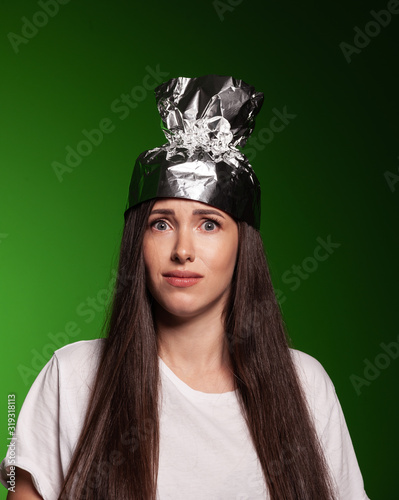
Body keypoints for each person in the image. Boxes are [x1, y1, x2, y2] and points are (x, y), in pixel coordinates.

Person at [1, 75, 370, 500]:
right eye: (161, 224)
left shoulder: (306, 384)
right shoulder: (74, 375)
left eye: (209, 224)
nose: (182, 250)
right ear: (137, 240)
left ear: (243, 244)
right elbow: (18, 488)